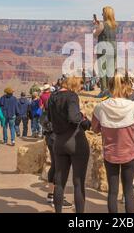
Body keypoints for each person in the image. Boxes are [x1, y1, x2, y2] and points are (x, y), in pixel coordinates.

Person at [92, 72, 134, 213]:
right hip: (129, 153)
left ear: (110, 86)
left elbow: (95, 129)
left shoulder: (100, 107)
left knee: (112, 192)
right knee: (128, 191)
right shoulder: (132, 106)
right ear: (125, 85)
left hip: (110, 154)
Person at [47, 75, 90, 213]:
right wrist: (83, 116)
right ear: (74, 85)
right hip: (75, 141)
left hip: (59, 141)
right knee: (78, 183)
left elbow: (49, 118)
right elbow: (73, 117)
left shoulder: (52, 97)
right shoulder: (71, 96)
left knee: (59, 183)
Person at [93, 6, 118, 98]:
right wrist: (99, 24)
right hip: (113, 48)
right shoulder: (115, 24)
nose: (102, 14)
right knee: (110, 70)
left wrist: (96, 26)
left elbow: (95, 35)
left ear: (106, 14)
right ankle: (111, 91)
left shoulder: (102, 24)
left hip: (103, 48)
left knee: (102, 70)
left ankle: (104, 91)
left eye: (103, 13)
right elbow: (106, 30)